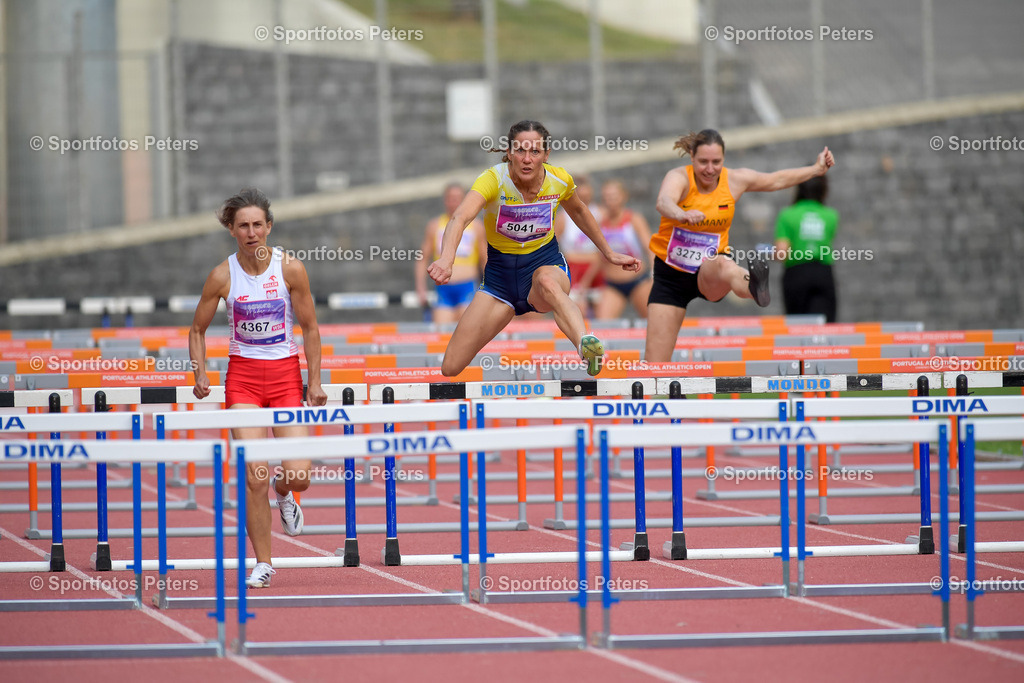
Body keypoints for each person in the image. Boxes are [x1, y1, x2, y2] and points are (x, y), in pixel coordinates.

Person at [189, 188, 328, 589]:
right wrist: (200, 373)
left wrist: (314, 381)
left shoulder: (291, 270)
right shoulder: (221, 275)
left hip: (285, 379)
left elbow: (311, 328)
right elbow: (197, 329)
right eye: (243, 226)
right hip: (244, 383)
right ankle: (264, 561)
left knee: (299, 475)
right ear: (232, 231)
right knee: (256, 475)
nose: (251, 233)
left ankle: (288, 494)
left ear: (269, 227)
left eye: (257, 225)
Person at [427, 120, 641, 377]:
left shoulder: (559, 180)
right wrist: (447, 258)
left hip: (543, 264)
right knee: (451, 366)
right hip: (499, 281)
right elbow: (459, 218)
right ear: (509, 152)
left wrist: (608, 252)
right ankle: (507, 310)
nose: (527, 159)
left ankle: (586, 344)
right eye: (520, 151)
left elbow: (580, 211)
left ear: (546, 154)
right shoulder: (494, 180)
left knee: (548, 283)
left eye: (535, 152)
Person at [644, 129, 835, 362]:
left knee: (725, 266)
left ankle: (754, 284)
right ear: (692, 157)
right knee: (655, 365)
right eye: (703, 162)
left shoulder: (734, 180)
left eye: (716, 162)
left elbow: (776, 180)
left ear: (724, 159)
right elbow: (663, 201)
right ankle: (674, 398)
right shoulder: (679, 177)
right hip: (670, 276)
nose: (710, 169)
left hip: (709, 268)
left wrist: (815, 170)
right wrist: (680, 214)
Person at [415, 183, 487, 324]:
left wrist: (491, 287)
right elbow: (422, 258)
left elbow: (485, 258)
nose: (453, 202)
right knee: (442, 332)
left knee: (466, 330)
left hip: (467, 287)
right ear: (445, 200)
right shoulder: (435, 226)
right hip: (444, 290)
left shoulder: (476, 226)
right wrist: (420, 288)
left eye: (457, 198)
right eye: (450, 198)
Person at [773, 175, 839, 322]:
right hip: (823, 273)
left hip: (796, 274)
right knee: (826, 325)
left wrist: (771, 253)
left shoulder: (788, 215)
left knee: (798, 327)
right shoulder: (831, 216)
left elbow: (782, 253)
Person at [593, 179, 653, 320]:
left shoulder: (634, 219)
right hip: (612, 284)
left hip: (638, 280)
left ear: (623, 197)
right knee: (602, 321)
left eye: (614, 196)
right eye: (606, 197)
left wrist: (654, 274)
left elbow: (650, 247)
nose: (610, 201)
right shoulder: (600, 222)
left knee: (653, 319)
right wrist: (584, 284)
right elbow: (597, 257)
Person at [555, 175, 603, 317]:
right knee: (578, 311)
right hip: (574, 268)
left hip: (596, 267)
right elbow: (550, 244)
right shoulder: (563, 218)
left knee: (602, 313)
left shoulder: (600, 213)